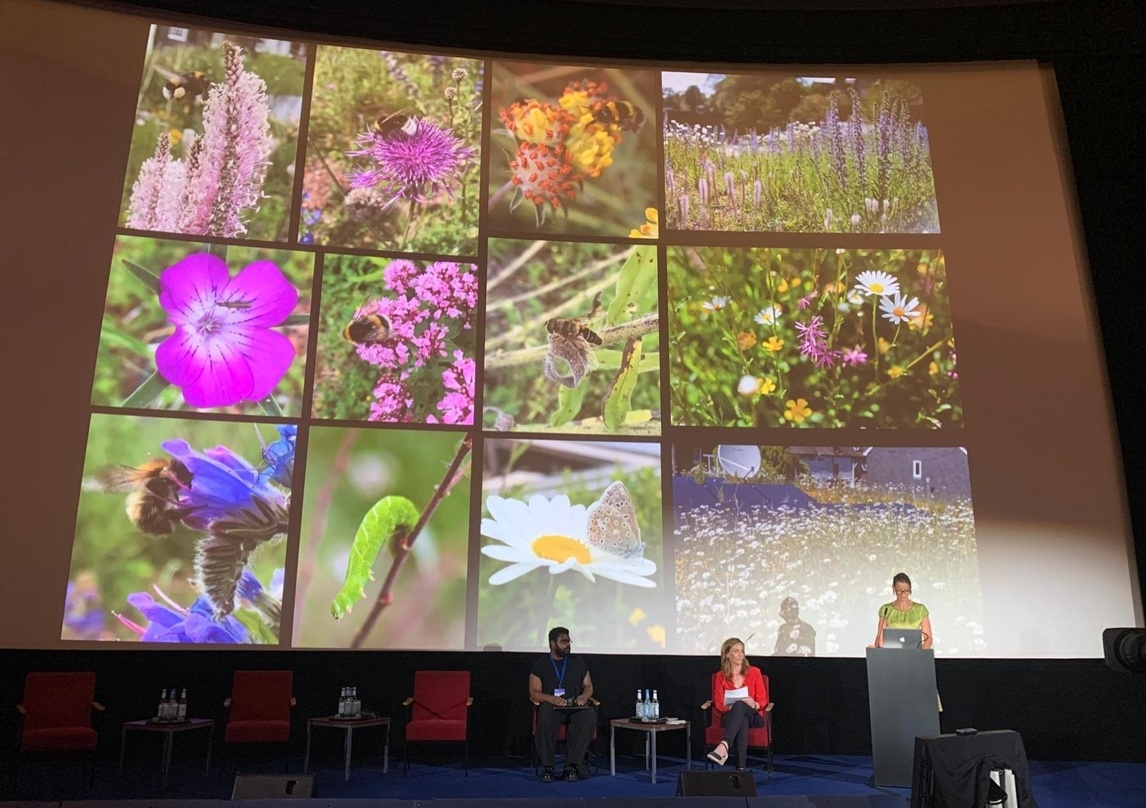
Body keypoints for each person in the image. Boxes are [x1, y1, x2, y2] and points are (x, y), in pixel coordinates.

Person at [529, 626, 596, 782]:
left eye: (568, 641)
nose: (567, 645)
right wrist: (551, 699)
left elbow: (588, 686)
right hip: (552, 705)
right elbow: (534, 692)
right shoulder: (540, 664)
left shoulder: (578, 662)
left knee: (588, 715)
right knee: (545, 715)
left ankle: (572, 765)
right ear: (552, 643)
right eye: (563, 641)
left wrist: (584, 696)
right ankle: (548, 766)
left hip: (574, 704)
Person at [706, 636, 769, 769]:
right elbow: (718, 703)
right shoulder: (721, 676)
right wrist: (731, 708)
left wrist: (754, 703)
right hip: (729, 716)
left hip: (754, 716)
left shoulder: (754, 672)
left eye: (742, 651)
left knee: (741, 706)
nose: (740, 654)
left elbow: (763, 700)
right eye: (736, 651)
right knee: (741, 719)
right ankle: (740, 769)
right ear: (727, 654)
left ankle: (724, 745)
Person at [871, 572, 933, 649]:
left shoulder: (920, 610)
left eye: (906, 591)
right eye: (899, 591)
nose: (903, 594)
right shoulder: (886, 609)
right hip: (892, 652)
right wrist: (878, 649)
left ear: (910, 588)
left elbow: (928, 639)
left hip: (915, 653)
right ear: (893, 588)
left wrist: (919, 654)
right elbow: (880, 637)